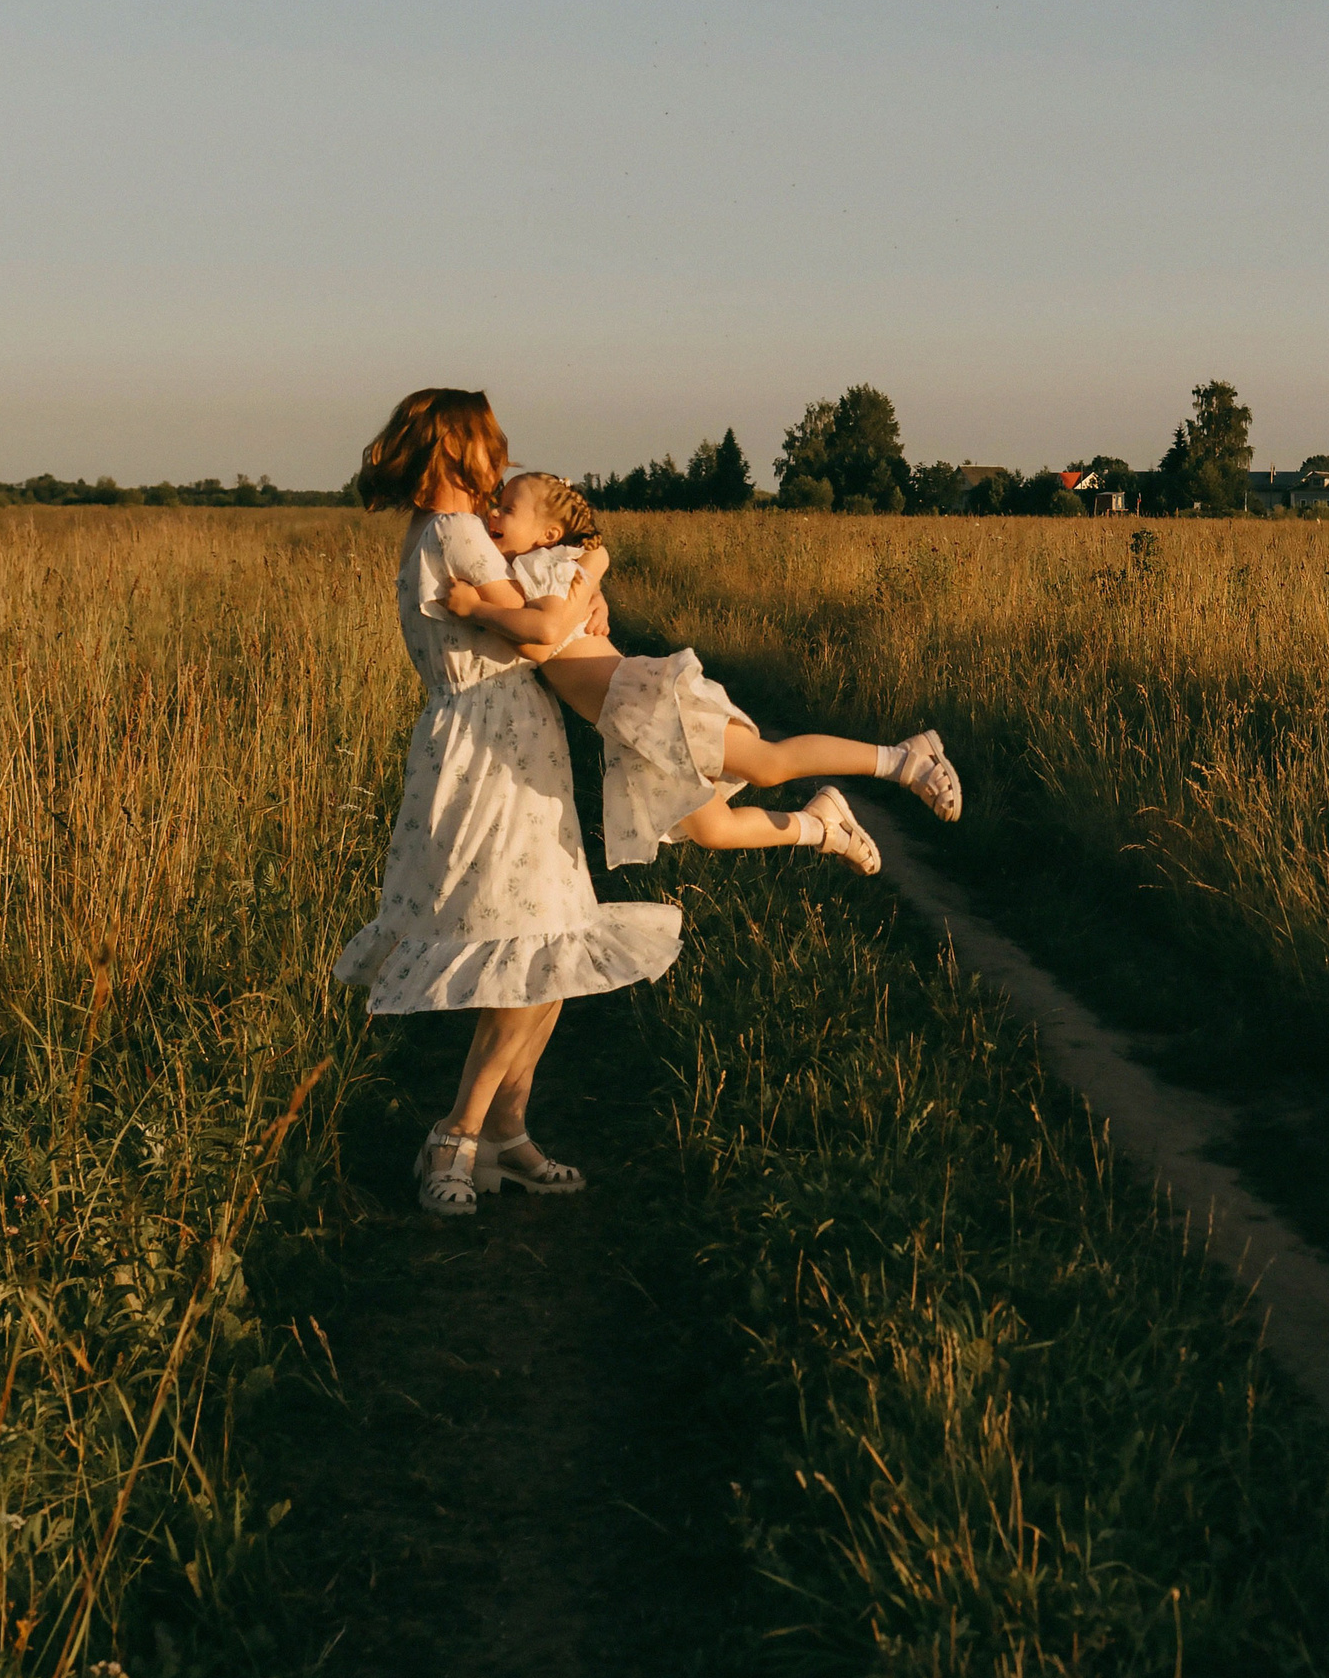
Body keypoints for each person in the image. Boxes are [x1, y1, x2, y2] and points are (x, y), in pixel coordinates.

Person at [332, 394, 681, 1217]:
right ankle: (455, 1138)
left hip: (494, 738)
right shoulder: (453, 534)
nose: (503, 456)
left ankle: (509, 1141)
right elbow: (531, 635)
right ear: (455, 452)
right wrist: (590, 576)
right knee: (522, 948)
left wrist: (573, 606)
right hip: (494, 747)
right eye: (490, 445)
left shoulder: (437, 534)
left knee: (544, 946)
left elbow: (535, 620)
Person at [445, 472, 961, 875]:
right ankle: (821, 825)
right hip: (625, 729)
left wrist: (476, 610)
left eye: (506, 509)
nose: (493, 513)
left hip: (643, 702)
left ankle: (904, 760)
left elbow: (544, 628)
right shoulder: (537, 570)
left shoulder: (542, 569)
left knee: (768, 764)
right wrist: (590, 587)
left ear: (548, 533)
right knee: (714, 831)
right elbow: (567, 601)